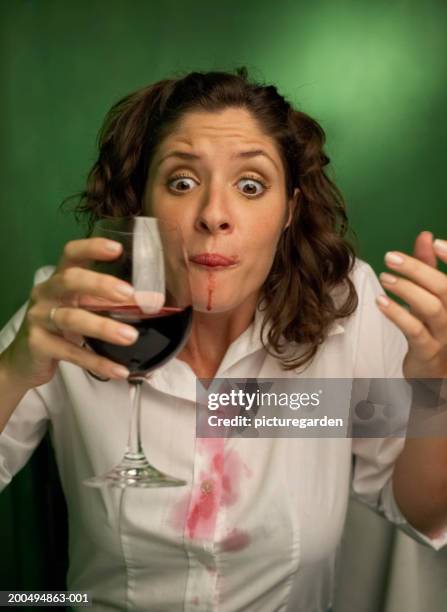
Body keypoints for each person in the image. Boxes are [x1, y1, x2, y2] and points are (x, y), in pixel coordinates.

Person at [1, 68, 446, 612]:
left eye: (251, 186)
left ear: (290, 211)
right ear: (142, 204)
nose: (213, 215)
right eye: (182, 183)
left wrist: (434, 392)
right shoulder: (70, 308)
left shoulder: (344, 311)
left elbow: (422, 514)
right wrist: (11, 371)